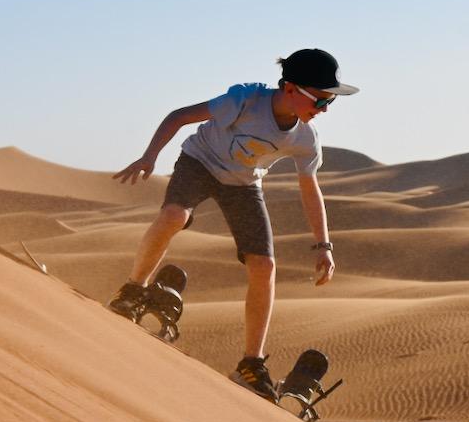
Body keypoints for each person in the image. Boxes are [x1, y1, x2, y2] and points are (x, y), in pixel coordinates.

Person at [108, 48, 358, 401]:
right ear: (290, 89)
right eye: (320, 99)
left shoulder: (305, 138)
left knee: (264, 265)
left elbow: (309, 188)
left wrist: (324, 246)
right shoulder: (244, 100)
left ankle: (251, 364)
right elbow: (179, 116)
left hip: (243, 185)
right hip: (199, 163)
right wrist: (150, 156)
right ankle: (134, 290)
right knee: (174, 216)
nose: (325, 109)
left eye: (330, 101)